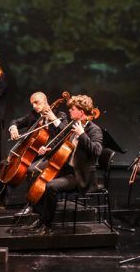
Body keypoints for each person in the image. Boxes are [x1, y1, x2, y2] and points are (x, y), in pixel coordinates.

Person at [26, 94, 103, 235]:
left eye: (72, 109)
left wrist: (82, 135)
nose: (69, 111)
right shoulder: (72, 125)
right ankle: (40, 217)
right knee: (36, 172)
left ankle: (47, 225)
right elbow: (62, 143)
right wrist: (48, 149)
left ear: (81, 111)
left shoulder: (93, 129)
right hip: (65, 168)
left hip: (79, 175)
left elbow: (97, 151)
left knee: (51, 186)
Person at [7, 92, 67, 215]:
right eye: (32, 104)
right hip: (38, 154)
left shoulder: (60, 115)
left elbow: (65, 133)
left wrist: (53, 119)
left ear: (45, 100)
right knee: (14, 166)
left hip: (54, 155)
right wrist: (13, 128)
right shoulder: (33, 115)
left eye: (37, 102)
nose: (34, 106)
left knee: (31, 170)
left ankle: (31, 205)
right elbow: (15, 121)